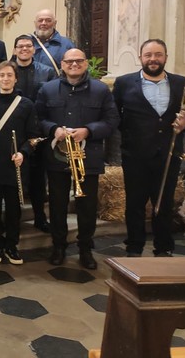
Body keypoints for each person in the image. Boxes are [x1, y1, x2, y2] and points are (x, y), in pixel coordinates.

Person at [36, 48, 119, 269]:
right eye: (69, 61)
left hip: (87, 157)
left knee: (87, 206)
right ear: (62, 64)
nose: (74, 64)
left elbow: (111, 121)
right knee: (57, 204)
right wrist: (53, 129)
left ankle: (85, 249)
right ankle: (59, 247)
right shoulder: (48, 89)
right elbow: (38, 118)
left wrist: (88, 131)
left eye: (79, 61)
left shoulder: (101, 90)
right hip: (57, 157)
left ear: (85, 64)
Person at [113, 39, 185, 257]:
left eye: (158, 54)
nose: (153, 59)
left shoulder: (180, 83)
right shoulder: (124, 83)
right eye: (148, 55)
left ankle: (163, 248)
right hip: (135, 155)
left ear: (166, 57)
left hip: (167, 155)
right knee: (135, 204)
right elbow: (114, 115)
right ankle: (134, 247)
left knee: (164, 204)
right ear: (140, 57)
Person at [0, 62, 38, 265]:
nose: (5, 79)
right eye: (2, 75)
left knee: (14, 208)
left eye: (9, 75)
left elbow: (33, 137)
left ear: (16, 78)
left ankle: (12, 245)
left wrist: (23, 152)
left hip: (16, 163)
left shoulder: (26, 104)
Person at [12, 34, 56, 232]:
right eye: (20, 46)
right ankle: (14, 219)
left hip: (38, 132)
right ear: (14, 50)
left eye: (28, 46)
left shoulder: (46, 72)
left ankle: (40, 217)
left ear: (34, 49)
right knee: (13, 179)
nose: (24, 49)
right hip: (14, 131)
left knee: (38, 178)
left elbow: (52, 100)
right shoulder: (6, 70)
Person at [31, 9, 75, 73]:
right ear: (35, 23)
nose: (44, 23)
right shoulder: (25, 44)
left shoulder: (66, 44)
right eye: (40, 20)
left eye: (48, 20)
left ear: (55, 23)